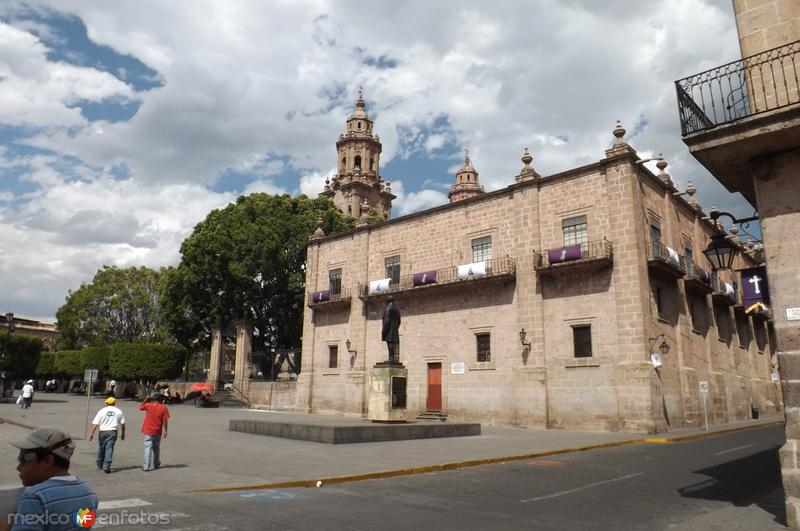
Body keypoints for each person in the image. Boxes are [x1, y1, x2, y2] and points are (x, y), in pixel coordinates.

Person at [8, 426, 98, 530]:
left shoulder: (36, 497)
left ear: (47, 461)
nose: (18, 467)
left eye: (23, 459)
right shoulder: (88, 492)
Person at [87, 397, 125, 473]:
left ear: (106, 403)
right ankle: (107, 465)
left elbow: (95, 423)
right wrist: (123, 433)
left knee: (101, 448)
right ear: (114, 403)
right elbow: (123, 424)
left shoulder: (101, 411)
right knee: (109, 448)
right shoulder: (119, 411)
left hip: (103, 432)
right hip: (113, 432)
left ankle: (99, 464)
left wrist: (91, 433)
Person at [139, 394, 169, 472]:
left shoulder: (148, 405)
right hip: (157, 431)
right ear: (161, 400)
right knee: (156, 448)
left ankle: (146, 466)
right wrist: (165, 431)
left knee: (147, 448)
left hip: (148, 430)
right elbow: (165, 420)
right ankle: (156, 463)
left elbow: (141, 407)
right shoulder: (164, 407)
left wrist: (146, 399)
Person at [381, 296, 401, 364]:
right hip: (394, 330)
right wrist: (396, 328)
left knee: (390, 343)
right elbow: (399, 321)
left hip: (389, 329)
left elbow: (387, 320)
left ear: (388, 301)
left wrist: (384, 331)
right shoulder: (397, 309)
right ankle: (393, 359)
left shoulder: (388, 308)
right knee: (393, 343)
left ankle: (391, 358)